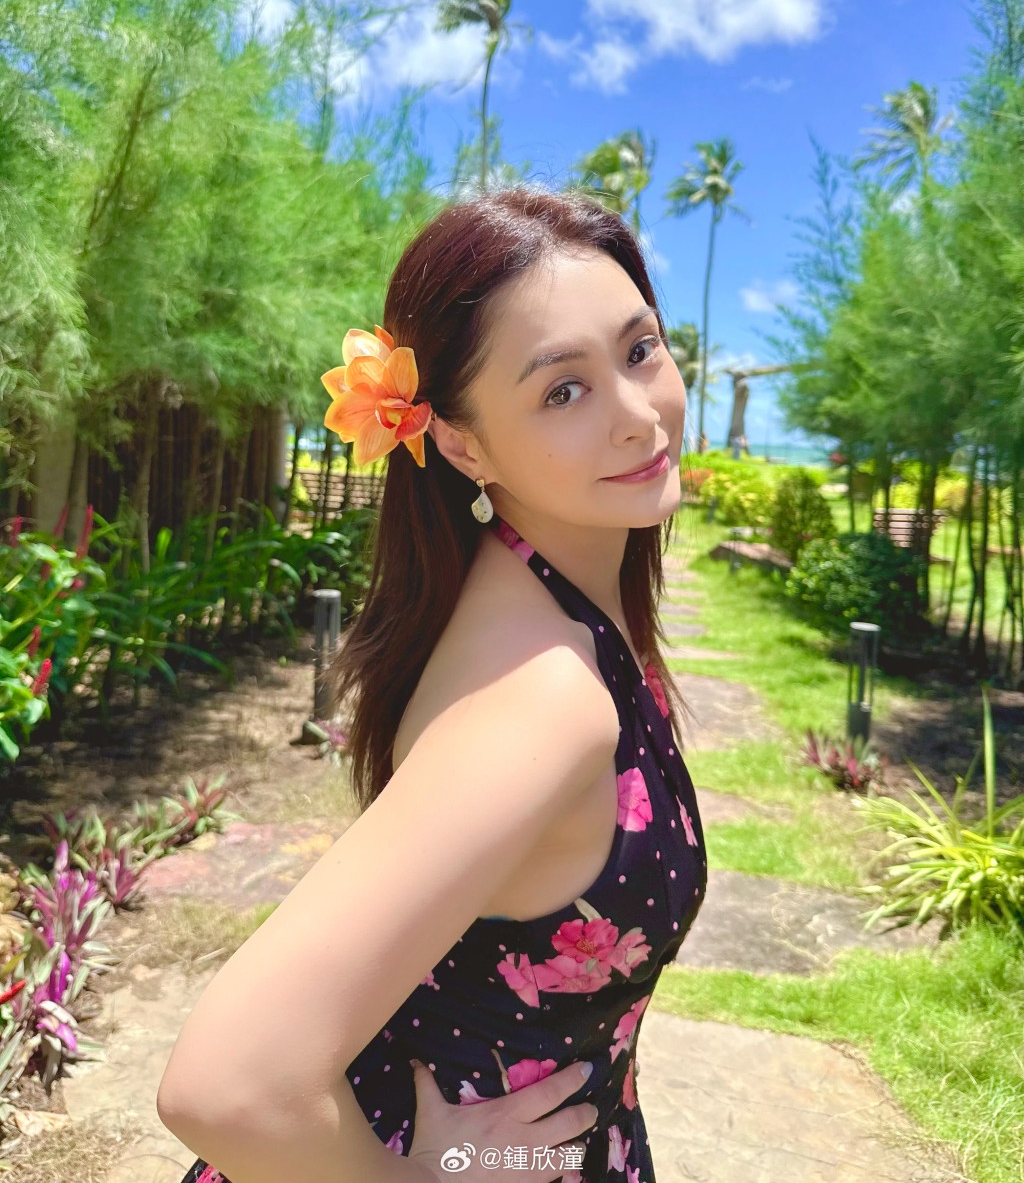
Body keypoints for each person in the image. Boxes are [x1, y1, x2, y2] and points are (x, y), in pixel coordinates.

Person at [157, 185, 709, 1183]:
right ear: (460, 443)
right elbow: (230, 1084)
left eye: (639, 350)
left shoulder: (547, 587)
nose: (639, 415)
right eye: (563, 391)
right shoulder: (543, 701)